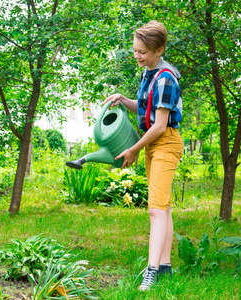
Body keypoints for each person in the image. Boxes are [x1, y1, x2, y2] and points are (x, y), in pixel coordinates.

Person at [103, 20, 184, 291]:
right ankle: (165, 267)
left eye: (143, 52)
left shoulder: (166, 79)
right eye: (136, 51)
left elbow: (160, 125)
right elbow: (148, 107)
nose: (138, 56)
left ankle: (150, 272)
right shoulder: (149, 73)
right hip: (154, 144)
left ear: (159, 50)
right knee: (163, 207)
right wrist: (123, 99)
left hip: (165, 142)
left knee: (155, 209)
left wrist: (134, 148)